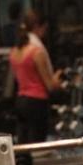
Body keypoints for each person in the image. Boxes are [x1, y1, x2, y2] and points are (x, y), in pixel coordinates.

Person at [9, 10, 63, 144]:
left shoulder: (14, 52)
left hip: (20, 101)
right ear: (39, 28)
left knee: (23, 147)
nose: (45, 34)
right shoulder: (37, 52)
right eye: (45, 29)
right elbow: (50, 85)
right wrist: (58, 78)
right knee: (38, 148)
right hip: (36, 103)